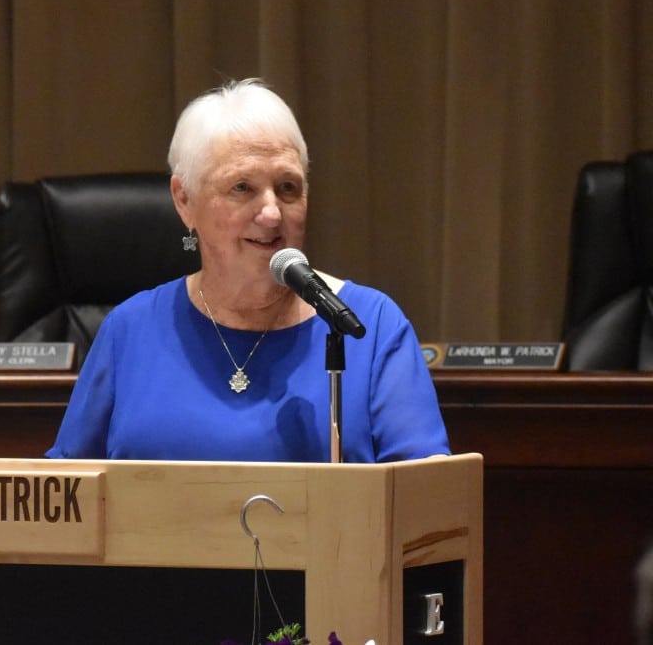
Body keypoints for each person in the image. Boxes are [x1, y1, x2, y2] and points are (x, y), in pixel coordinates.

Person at [46, 79, 449, 462]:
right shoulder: (128, 331)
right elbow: (65, 490)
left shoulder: (370, 325)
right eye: (242, 187)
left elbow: (424, 493)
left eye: (288, 188)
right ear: (184, 200)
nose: (272, 213)